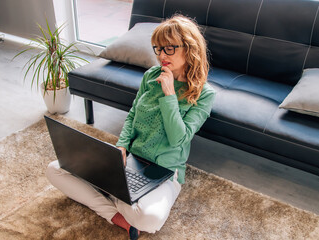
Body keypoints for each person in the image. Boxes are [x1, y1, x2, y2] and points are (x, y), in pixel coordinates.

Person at [46, 14, 215, 240]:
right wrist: (121, 148)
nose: (161, 55)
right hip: (130, 162)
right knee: (55, 169)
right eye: (157, 49)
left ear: (189, 48)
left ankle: (106, 192)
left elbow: (178, 139)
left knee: (149, 220)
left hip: (163, 171)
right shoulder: (150, 76)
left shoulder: (204, 94)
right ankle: (116, 213)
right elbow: (133, 114)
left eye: (169, 49)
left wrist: (169, 95)